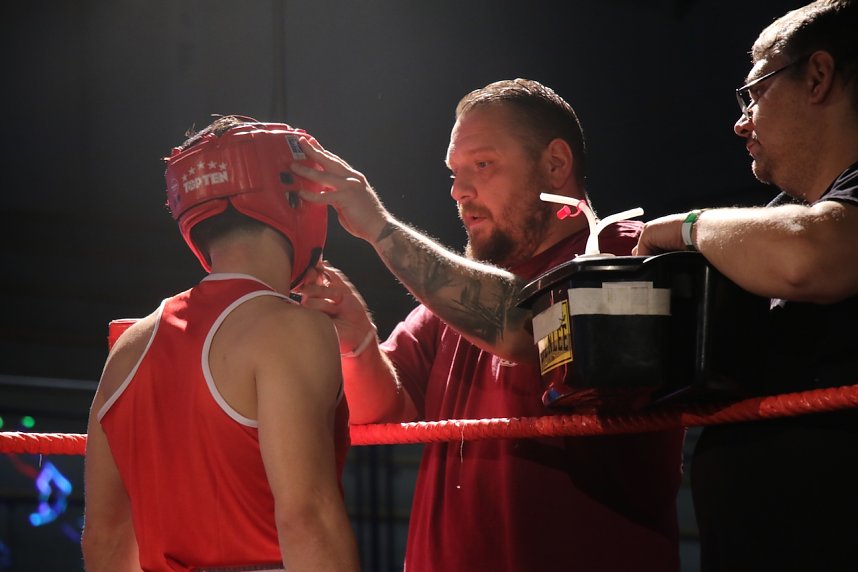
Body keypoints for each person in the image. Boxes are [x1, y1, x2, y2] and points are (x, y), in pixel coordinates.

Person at [294, 79, 685, 571]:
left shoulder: (625, 255)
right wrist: (356, 342)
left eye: (483, 165)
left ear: (556, 164)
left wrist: (380, 228)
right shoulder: (446, 307)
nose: (460, 191)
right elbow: (382, 414)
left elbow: (521, 323)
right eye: (455, 173)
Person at [633, 1, 858, 569]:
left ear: (817, 76)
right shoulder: (776, 222)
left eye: (754, 91)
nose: (741, 121)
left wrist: (686, 227)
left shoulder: (804, 234)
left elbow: (811, 255)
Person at [82, 116, 360, 572]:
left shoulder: (130, 345)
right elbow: (307, 518)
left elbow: (105, 537)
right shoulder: (290, 328)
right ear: (297, 198)